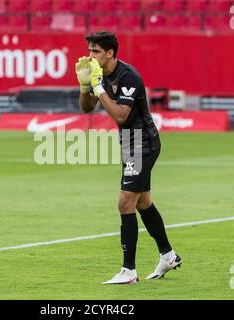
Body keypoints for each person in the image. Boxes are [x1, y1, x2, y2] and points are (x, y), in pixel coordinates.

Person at [75, 31, 182, 284]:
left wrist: (99, 87)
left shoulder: (128, 76)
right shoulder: (99, 73)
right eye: (90, 50)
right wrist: (85, 86)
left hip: (143, 141)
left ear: (110, 52)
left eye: (96, 51)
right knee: (143, 202)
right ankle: (168, 256)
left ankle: (128, 271)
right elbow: (87, 108)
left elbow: (121, 115)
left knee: (125, 203)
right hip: (130, 142)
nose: (91, 56)